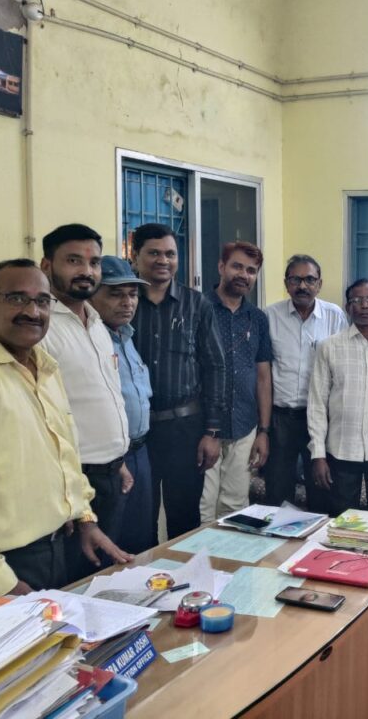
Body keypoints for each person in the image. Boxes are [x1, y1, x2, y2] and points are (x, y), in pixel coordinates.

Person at [0, 260, 131, 603]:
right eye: (16, 298)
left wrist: (85, 519)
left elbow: (65, 453)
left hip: (58, 548)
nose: (32, 311)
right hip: (2, 567)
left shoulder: (46, 368)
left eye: (42, 301)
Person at [39, 225, 132, 567]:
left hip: (110, 473)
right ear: (47, 266)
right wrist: (75, 504)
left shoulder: (95, 323)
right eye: (73, 261)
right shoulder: (42, 327)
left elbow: (105, 396)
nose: (86, 271)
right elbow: (42, 419)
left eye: (93, 263)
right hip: (74, 482)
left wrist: (119, 458)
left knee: (104, 574)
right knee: (78, 578)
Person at [131, 223, 226, 540]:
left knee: (184, 518)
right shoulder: (124, 303)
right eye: (154, 253)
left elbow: (215, 367)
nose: (163, 260)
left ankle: (184, 571)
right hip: (138, 432)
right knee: (139, 517)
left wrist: (212, 432)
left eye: (170, 254)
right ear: (136, 256)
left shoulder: (197, 304)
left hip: (185, 428)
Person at [308, 278, 368, 516]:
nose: (364, 305)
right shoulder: (329, 347)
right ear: (347, 307)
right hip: (341, 450)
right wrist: (318, 454)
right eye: (357, 300)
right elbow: (317, 403)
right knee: (341, 519)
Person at [264, 254, 347, 514]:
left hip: (321, 420)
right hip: (281, 419)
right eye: (296, 279)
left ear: (319, 284)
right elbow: (263, 371)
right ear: (286, 284)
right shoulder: (269, 316)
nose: (303, 286)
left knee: (321, 492)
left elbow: (341, 368)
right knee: (278, 493)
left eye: (310, 279)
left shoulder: (334, 316)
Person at [200, 241, 273, 522]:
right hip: (204, 427)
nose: (244, 275)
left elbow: (263, 376)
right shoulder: (199, 309)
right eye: (237, 267)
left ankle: (228, 553)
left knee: (235, 507)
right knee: (203, 507)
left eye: (251, 270)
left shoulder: (258, 319)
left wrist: (263, 431)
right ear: (221, 267)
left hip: (244, 425)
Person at [91, 255, 155, 554]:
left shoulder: (126, 336)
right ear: (92, 296)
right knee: (109, 546)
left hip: (140, 450)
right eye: (115, 294)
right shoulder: (92, 340)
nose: (127, 302)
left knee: (140, 539)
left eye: (132, 294)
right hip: (110, 459)